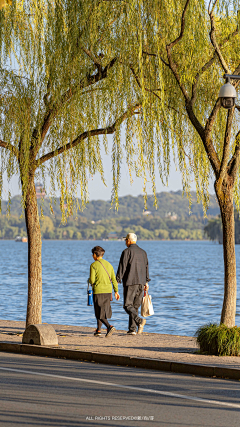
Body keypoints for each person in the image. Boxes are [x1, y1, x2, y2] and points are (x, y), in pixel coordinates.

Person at [116, 233, 150, 335]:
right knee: (135, 307)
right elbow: (146, 267)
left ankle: (139, 321)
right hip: (141, 282)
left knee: (127, 305)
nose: (125, 242)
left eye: (126, 240)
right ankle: (132, 329)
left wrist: (117, 280)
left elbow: (122, 267)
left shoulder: (126, 252)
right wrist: (146, 282)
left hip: (130, 282)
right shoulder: (143, 252)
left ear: (129, 241)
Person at [89, 245, 120, 337]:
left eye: (92, 254)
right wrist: (116, 291)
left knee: (98, 311)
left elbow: (92, 280)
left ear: (95, 254)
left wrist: (89, 281)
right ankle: (98, 330)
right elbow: (114, 279)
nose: (92, 256)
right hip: (108, 291)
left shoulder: (93, 265)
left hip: (98, 291)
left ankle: (109, 326)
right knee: (103, 310)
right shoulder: (109, 265)